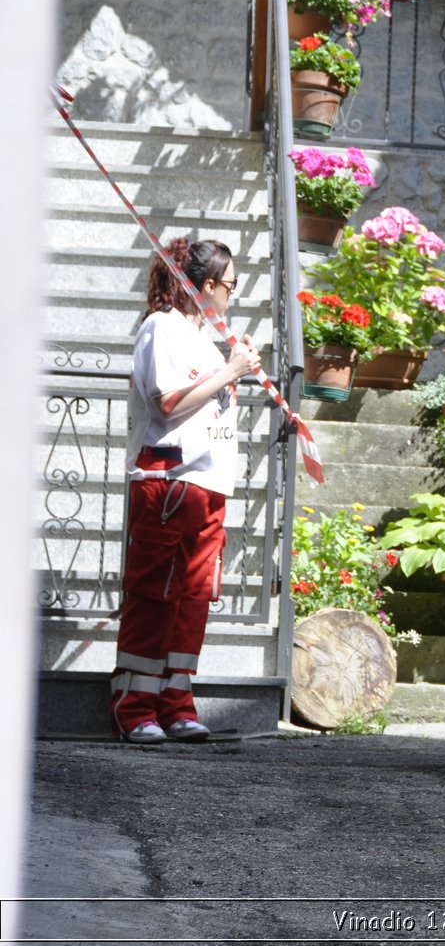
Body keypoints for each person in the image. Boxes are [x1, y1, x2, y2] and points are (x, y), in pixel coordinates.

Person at [112, 238, 260, 744]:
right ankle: (135, 705)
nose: (232, 295)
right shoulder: (162, 328)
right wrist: (231, 371)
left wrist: (229, 366)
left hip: (209, 483)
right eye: (229, 285)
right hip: (169, 481)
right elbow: (167, 404)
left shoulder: (204, 338)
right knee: (155, 594)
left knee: (194, 597)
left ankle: (176, 702)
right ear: (204, 284)